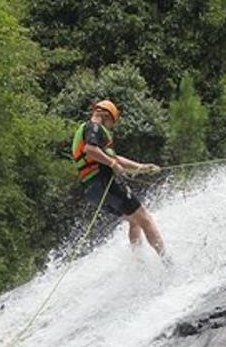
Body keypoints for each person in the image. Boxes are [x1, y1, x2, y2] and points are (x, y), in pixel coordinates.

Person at [71, 99, 167, 258]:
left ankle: (138, 264)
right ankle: (169, 263)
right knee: (145, 218)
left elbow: (115, 157)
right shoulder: (93, 127)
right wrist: (112, 164)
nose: (111, 127)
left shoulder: (89, 132)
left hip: (93, 191)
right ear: (105, 115)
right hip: (104, 183)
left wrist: (141, 167)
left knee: (134, 221)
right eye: (111, 123)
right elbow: (90, 150)